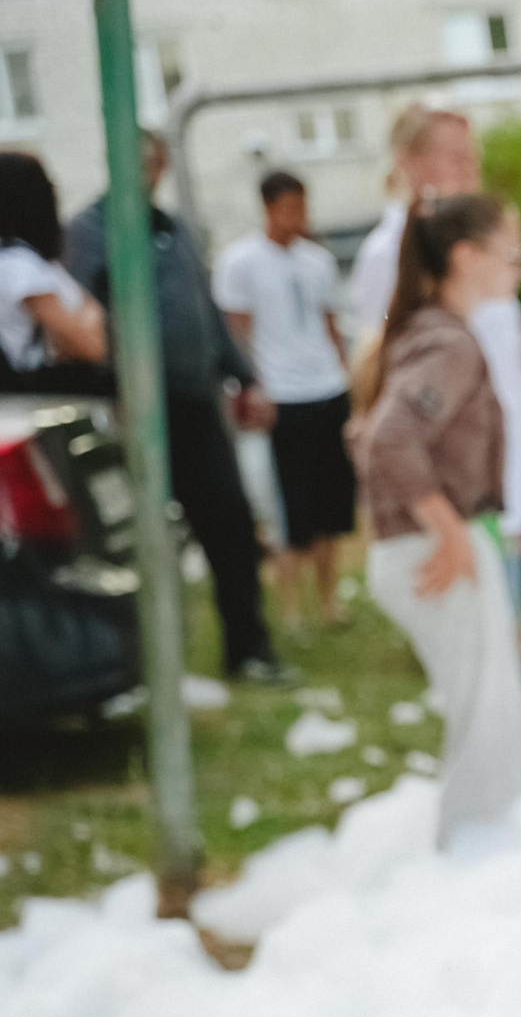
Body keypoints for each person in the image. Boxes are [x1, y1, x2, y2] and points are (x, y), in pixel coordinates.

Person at [66, 130, 290, 685]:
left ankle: (248, 650)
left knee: (232, 526)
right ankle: (140, 670)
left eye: (152, 165)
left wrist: (244, 377)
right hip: (131, 412)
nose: (145, 175)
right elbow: (81, 321)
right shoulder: (89, 234)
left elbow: (206, 314)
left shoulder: (174, 231)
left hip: (194, 407)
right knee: (137, 543)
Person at [352, 194, 521, 848]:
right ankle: (473, 856)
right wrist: (450, 531)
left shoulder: (433, 331)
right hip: (430, 547)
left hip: (433, 540)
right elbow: (386, 439)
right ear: (467, 256)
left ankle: (479, 849)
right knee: (486, 710)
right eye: (515, 253)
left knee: (489, 703)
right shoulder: (447, 343)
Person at [216, 171, 354, 630]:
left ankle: (330, 599)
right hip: (281, 395)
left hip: (326, 388)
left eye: (303, 207)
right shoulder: (241, 262)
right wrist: (251, 388)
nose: (298, 217)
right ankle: (292, 608)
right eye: (290, 208)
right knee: (288, 507)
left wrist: (346, 377)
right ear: (269, 207)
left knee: (331, 503)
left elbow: (331, 324)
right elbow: (237, 335)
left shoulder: (317, 261)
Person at [350, 104, 479, 333]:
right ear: (408, 161)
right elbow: (381, 350)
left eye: (472, 156)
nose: (470, 168)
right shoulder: (386, 253)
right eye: (456, 157)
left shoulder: (481, 237)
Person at [0, 152, 108, 387]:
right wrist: (87, 317)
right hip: (46, 394)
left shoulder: (26, 261)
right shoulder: (20, 266)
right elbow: (91, 346)